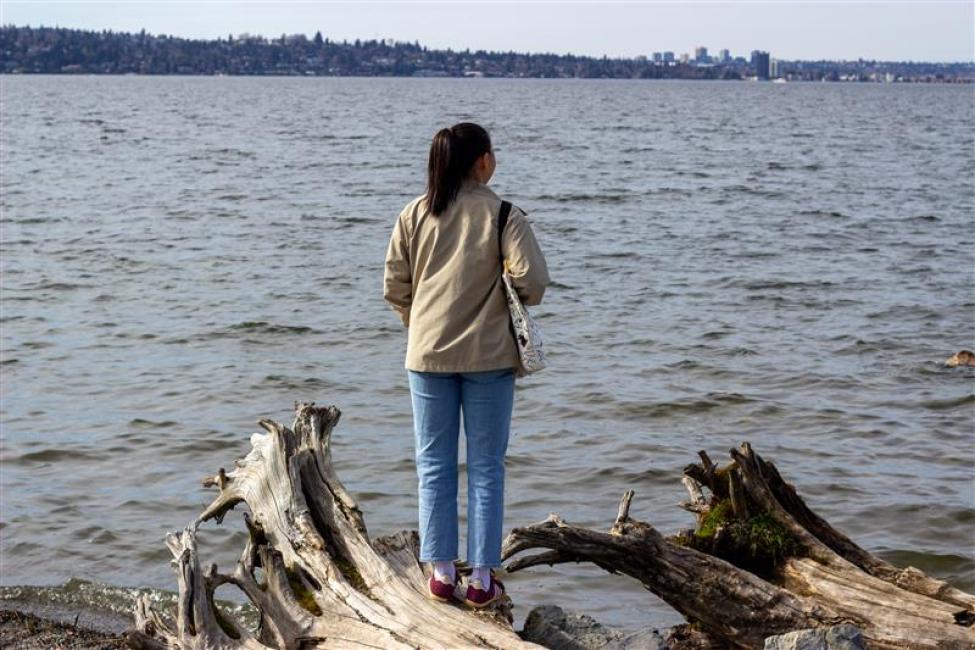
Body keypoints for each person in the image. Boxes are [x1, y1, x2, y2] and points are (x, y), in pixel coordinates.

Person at [383, 122, 550, 608]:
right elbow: (534, 283)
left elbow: (394, 287)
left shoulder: (414, 213)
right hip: (489, 357)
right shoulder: (503, 216)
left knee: (432, 464)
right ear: (482, 162)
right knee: (485, 468)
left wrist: (423, 323)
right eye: (492, 153)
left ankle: (438, 573)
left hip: (426, 355)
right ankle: (480, 579)